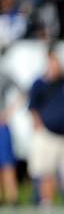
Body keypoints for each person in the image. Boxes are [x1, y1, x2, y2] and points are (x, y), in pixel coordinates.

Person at [28, 46, 64, 207]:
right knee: (46, 171)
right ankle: (46, 202)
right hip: (48, 133)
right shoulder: (40, 84)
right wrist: (38, 125)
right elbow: (33, 107)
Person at [0, 72, 18, 206]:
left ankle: (12, 197)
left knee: (7, 163)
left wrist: (7, 112)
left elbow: (23, 91)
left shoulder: (3, 75)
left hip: (1, 126)